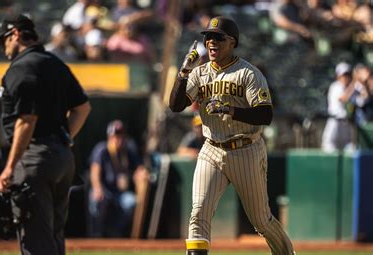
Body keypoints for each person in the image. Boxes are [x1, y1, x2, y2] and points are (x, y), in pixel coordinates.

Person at [169, 16, 295, 255]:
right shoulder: (199, 73)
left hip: (245, 148)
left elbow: (265, 115)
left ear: (232, 42)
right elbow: (176, 105)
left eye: (218, 37)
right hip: (212, 148)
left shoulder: (248, 73)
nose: (211, 42)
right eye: (208, 37)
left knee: (261, 220)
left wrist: (231, 110)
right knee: (198, 213)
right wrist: (183, 73)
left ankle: (286, 253)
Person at [0, 13, 91, 255]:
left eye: (4, 40)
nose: (3, 47)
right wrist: (63, 139)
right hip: (63, 158)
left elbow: (26, 120)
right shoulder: (55, 63)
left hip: (34, 157)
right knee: (53, 236)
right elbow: (83, 108)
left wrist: (10, 166)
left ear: (15, 34)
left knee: (36, 240)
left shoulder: (21, 67)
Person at [88, 120, 148, 237]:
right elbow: (94, 172)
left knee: (131, 202)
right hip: (104, 190)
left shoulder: (128, 151)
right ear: (109, 137)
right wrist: (97, 188)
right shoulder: (102, 150)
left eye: (120, 136)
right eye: (115, 136)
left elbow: (139, 168)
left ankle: (115, 233)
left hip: (119, 193)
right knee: (97, 201)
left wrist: (141, 172)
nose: (118, 139)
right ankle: (96, 235)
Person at [321, 62, 355, 152]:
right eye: (344, 75)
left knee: (350, 149)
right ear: (338, 76)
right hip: (335, 122)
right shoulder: (336, 86)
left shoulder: (352, 88)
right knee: (329, 148)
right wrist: (354, 83)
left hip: (347, 123)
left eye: (348, 74)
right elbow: (343, 98)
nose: (346, 77)